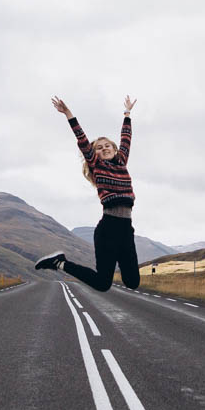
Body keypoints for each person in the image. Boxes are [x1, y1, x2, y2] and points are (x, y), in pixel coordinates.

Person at [35, 95, 140, 291]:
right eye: (99, 148)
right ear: (95, 154)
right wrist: (68, 113)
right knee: (102, 283)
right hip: (108, 229)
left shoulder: (121, 161)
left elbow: (126, 138)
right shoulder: (97, 166)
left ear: (115, 149)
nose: (104, 148)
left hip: (126, 229)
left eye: (107, 145)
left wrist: (127, 113)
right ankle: (60, 263)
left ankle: (60, 263)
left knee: (133, 282)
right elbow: (82, 139)